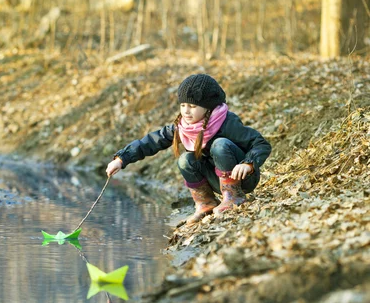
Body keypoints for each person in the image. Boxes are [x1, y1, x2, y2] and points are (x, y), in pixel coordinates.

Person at [106, 74, 271, 225]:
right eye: (183, 105)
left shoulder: (227, 122)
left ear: (208, 107)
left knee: (219, 145)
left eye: (192, 106)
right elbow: (151, 141)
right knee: (185, 159)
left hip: (242, 178)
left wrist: (248, 164)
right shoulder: (183, 126)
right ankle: (206, 203)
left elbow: (260, 144)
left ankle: (234, 197)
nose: (186, 111)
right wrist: (122, 159)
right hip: (216, 179)